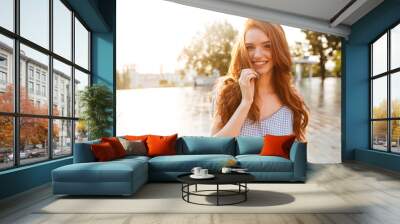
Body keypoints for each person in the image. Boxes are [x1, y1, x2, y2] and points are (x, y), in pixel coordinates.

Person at [211, 19, 309, 141]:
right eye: (250, 47)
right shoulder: (226, 93)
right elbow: (214, 149)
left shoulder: (292, 100)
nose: (257, 55)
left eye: (267, 46)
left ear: (279, 49)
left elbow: (295, 155)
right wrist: (245, 103)